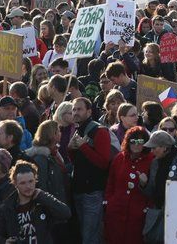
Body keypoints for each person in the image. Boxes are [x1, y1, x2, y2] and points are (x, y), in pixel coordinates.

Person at [68, 96, 112, 244]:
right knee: (82, 233)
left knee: (90, 236)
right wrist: (71, 149)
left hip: (92, 192)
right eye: (74, 109)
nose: (75, 112)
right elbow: (78, 162)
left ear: (89, 111)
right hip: (78, 189)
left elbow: (103, 163)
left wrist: (83, 147)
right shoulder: (78, 130)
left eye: (79, 109)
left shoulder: (100, 131)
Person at [143, 130, 177, 243]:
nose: (152, 151)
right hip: (159, 217)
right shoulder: (154, 164)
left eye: (154, 147)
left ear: (165, 147)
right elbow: (151, 193)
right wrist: (143, 185)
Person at [0, 160, 71, 244]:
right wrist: (5, 241)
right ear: (15, 184)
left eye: (31, 181)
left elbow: (66, 213)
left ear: (35, 180)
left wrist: (43, 196)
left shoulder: (42, 200)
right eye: (23, 183)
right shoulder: (7, 207)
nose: (28, 186)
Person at [104, 125, 153, 244]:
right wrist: (109, 203)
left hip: (138, 216)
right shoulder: (119, 158)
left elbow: (155, 189)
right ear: (128, 142)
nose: (136, 144)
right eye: (133, 141)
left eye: (140, 141)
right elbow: (111, 182)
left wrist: (146, 209)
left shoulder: (152, 160)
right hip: (116, 213)